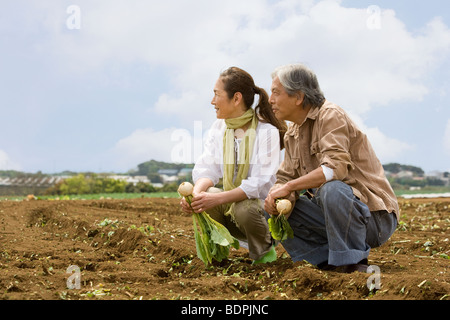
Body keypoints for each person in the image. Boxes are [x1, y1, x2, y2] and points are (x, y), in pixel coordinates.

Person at [264, 63, 399, 273]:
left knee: (332, 188)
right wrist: (280, 196)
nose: (270, 99)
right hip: (332, 216)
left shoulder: (330, 115)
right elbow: (285, 177)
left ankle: (351, 263)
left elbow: (334, 169)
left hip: (374, 219)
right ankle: (324, 262)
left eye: (275, 92)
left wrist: (289, 186)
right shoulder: (293, 133)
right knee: (270, 204)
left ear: (298, 97)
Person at [180, 66, 287, 264]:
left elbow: (259, 184)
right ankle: (217, 254)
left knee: (243, 207)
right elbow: (208, 167)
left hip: (261, 216)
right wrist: (196, 196)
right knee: (207, 195)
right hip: (233, 211)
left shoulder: (267, 132)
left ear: (236, 98)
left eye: (216, 95)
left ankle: (264, 254)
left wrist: (217, 199)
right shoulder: (219, 128)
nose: (212, 101)